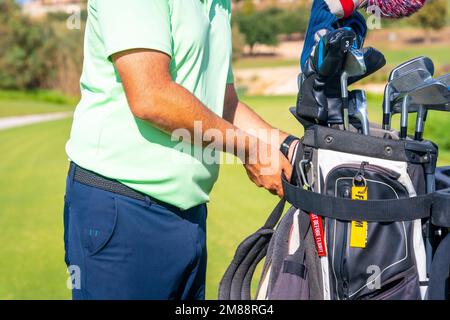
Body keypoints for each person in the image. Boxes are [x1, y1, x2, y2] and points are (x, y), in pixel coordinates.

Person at [63, 0, 299, 300]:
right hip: (122, 210)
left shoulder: (219, 4)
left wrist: (288, 145)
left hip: (189, 216)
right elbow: (152, 97)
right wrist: (251, 151)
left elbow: (222, 103)